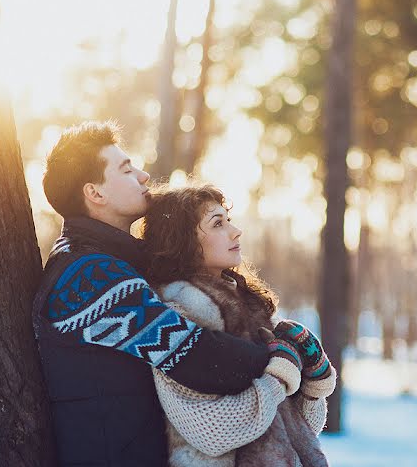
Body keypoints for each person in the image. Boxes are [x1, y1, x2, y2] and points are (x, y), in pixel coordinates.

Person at [32, 121, 272, 466]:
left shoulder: (111, 263)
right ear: (95, 193)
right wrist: (280, 356)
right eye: (127, 170)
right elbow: (191, 354)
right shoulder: (87, 276)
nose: (144, 176)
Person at [140, 183, 336, 467]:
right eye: (217, 224)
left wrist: (313, 382)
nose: (235, 231)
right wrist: (279, 376)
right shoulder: (176, 316)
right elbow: (213, 431)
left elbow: (300, 428)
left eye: (228, 221)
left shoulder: (249, 305)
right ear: (182, 240)